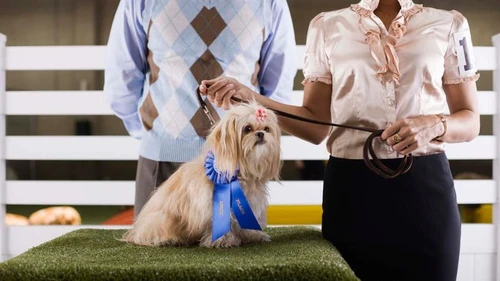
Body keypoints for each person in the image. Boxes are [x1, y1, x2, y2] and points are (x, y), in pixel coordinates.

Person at [199, 0, 480, 280]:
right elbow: (314, 124)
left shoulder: (450, 24)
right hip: (352, 193)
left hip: (425, 192)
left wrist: (433, 124)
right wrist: (253, 99)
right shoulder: (326, 27)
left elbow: (470, 121)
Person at [103, 0, 297, 218]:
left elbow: (121, 85)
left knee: (238, 247)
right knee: (156, 245)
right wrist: (155, 141)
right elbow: (121, 84)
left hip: (239, 168)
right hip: (168, 164)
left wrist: (158, 135)